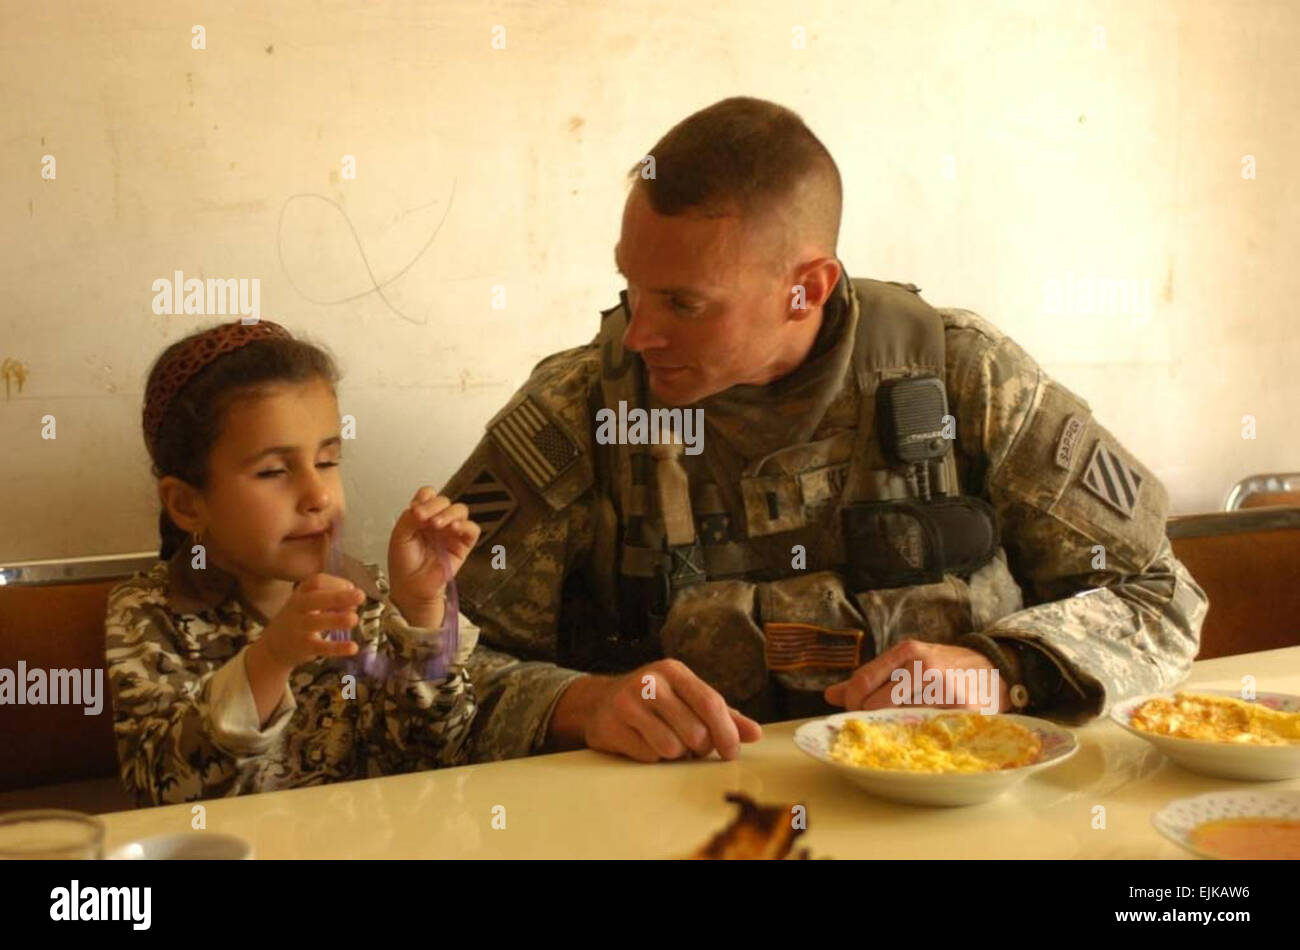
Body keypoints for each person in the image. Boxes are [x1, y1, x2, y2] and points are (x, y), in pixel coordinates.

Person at [443, 96, 1209, 764]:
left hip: (943, 806)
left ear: (805, 289)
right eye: (629, 287)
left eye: (682, 304)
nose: (639, 334)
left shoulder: (963, 379)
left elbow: (1162, 596)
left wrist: (1004, 670)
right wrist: (584, 704)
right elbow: (425, 661)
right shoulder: (582, 410)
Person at [107, 320, 480, 805]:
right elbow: (162, 791)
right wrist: (271, 658)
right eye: (273, 471)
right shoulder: (148, 613)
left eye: (327, 462)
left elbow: (438, 756)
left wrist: (420, 611)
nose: (317, 494)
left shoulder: (364, 597)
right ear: (186, 504)